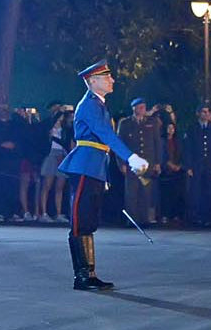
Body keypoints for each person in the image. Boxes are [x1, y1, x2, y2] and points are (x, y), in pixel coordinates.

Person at [57, 60, 152, 290]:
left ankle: (89, 274)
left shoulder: (99, 105)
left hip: (94, 168)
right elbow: (105, 135)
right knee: (81, 220)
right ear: (92, 82)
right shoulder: (89, 104)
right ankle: (82, 276)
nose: (112, 80)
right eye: (106, 77)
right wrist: (130, 157)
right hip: (85, 167)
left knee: (88, 220)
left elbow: (105, 139)